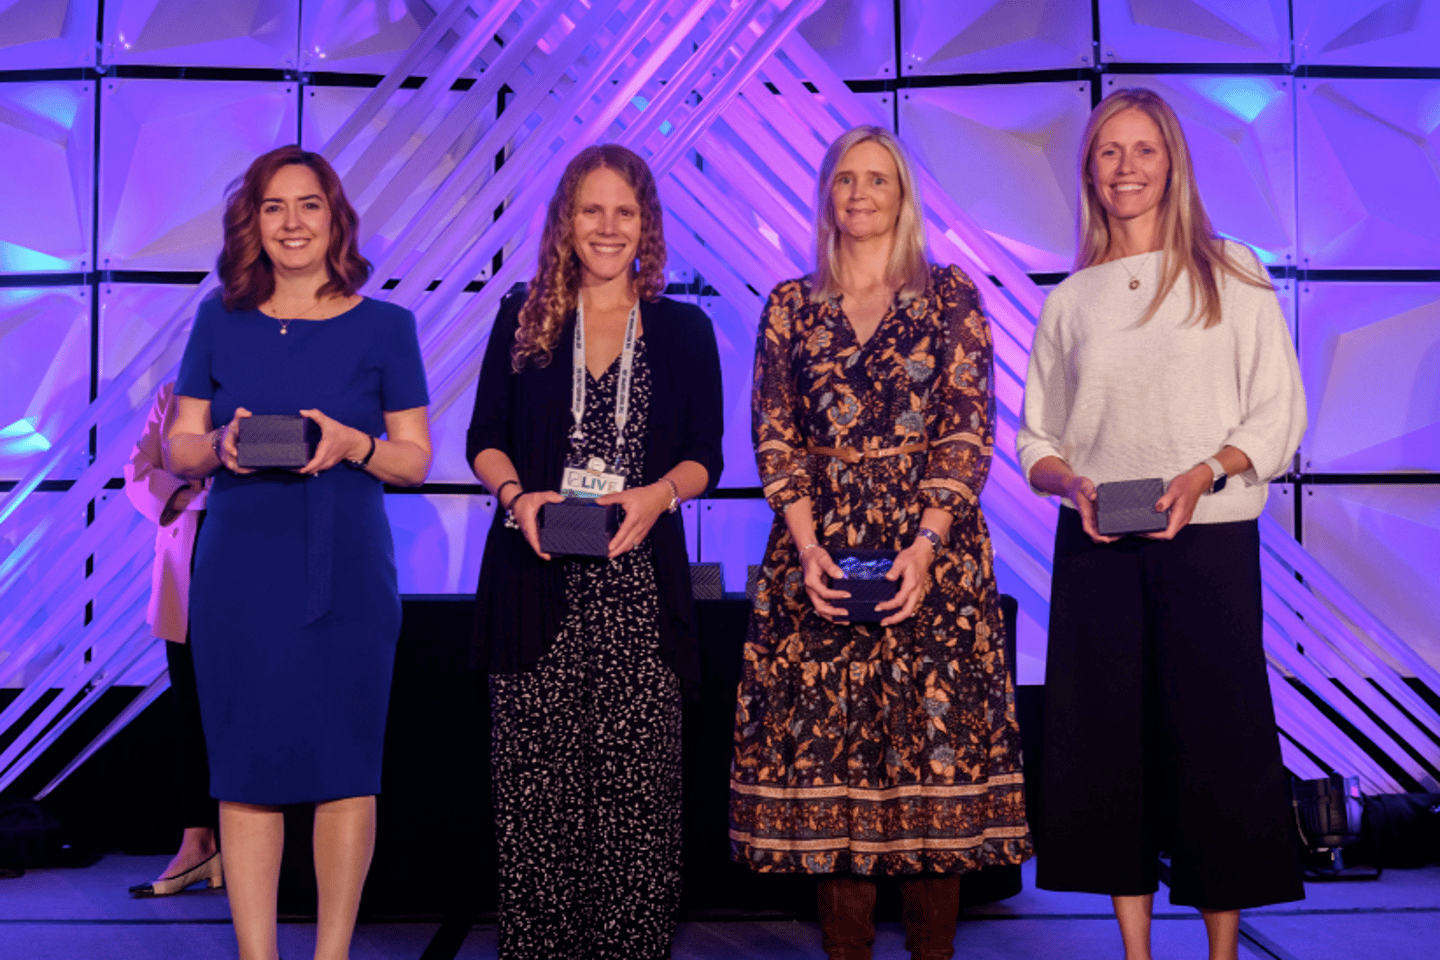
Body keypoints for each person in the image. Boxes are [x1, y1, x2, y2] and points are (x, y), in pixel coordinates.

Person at [1016, 87, 1306, 960]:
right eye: (1109, 152)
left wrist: (1204, 472)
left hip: (1209, 542)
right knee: (1108, 747)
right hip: (1101, 544)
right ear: (1091, 174)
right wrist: (1074, 484)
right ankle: (1135, 952)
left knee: (1219, 746)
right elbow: (1037, 439)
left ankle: (1222, 952)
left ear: (1172, 162)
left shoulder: (1235, 269)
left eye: (1143, 149)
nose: (1126, 167)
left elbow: (1277, 414)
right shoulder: (1072, 299)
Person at [729, 125, 1032, 960]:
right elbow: (774, 433)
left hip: (931, 562)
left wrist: (927, 543)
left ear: (904, 197)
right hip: (818, 558)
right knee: (839, 775)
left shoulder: (951, 296)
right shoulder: (790, 304)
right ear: (826, 193)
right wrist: (805, 548)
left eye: (878, 180)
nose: (859, 194)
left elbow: (969, 430)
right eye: (844, 180)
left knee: (929, 774)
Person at [164, 145, 432, 960]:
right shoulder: (220, 317)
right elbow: (178, 448)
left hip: (346, 572)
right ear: (253, 221)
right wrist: (221, 445)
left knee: (346, 770)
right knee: (244, 773)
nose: (291, 222)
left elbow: (415, 460)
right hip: (240, 574)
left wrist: (355, 443)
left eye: (308, 204)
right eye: (274, 206)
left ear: (334, 218)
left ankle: (332, 955)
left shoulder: (387, 325)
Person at [466, 143, 723, 959]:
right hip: (532, 586)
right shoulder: (524, 318)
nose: (607, 227)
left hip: (640, 599)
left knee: (637, 817)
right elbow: (484, 440)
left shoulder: (683, 329)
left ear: (645, 223)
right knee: (536, 812)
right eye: (591, 210)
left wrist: (656, 495)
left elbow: (706, 455)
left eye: (624, 211)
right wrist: (519, 498)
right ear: (564, 222)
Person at [123, 381, 221, 897]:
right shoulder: (175, 391)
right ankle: (198, 842)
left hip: (256, 553)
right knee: (191, 709)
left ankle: (249, 843)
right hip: (187, 552)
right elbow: (137, 471)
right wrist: (184, 494)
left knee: (251, 709)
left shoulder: (277, 376)